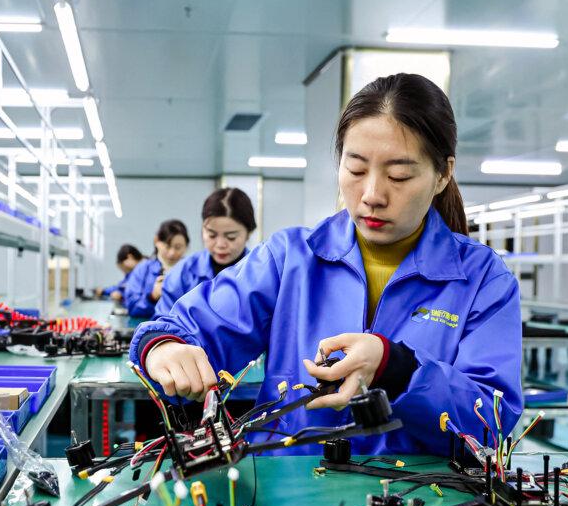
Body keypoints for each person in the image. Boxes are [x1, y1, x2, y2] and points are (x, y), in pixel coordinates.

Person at [129, 73, 523, 456]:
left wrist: (398, 368)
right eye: (355, 169)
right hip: (290, 504)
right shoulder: (290, 259)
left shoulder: (482, 279)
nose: (372, 195)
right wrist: (162, 348)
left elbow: (493, 420)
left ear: (443, 174)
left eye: (399, 176)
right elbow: (184, 329)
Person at [154, 188, 256, 316]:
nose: (220, 245)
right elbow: (163, 323)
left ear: (249, 234)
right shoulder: (183, 274)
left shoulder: (260, 274)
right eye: (212, 235)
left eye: (231, 237)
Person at [123, 219, 189, 319]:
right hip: (152, 331)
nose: (172, 253)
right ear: (157, 242)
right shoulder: (143, 270)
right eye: (167, 246)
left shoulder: (193, 272)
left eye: (178, 247)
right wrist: (152, 296)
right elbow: (133, 308)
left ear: (186, 246)